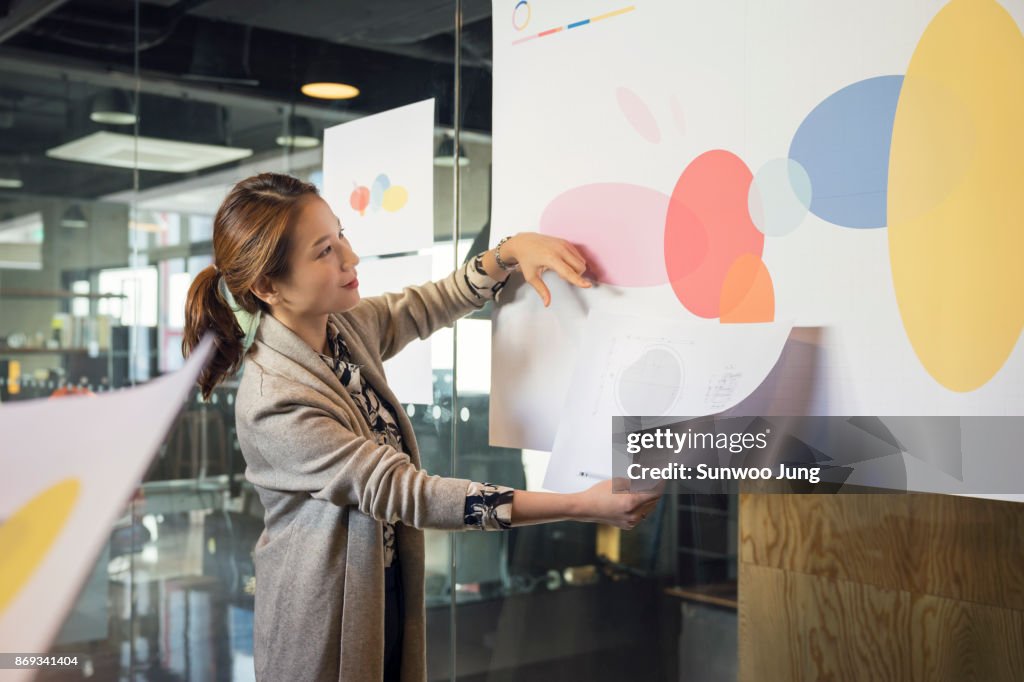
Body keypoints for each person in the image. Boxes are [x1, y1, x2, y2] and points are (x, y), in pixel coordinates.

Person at [182, 173, 659, 682]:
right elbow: (410, 494)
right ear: (267, 286)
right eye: (324, 251)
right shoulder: (273, 399)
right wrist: (580, 505)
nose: (351, 258)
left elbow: (423, 305)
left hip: (380, 590)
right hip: (322, 620)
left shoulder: (341, 329)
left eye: (340, 234)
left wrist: (510, 253)